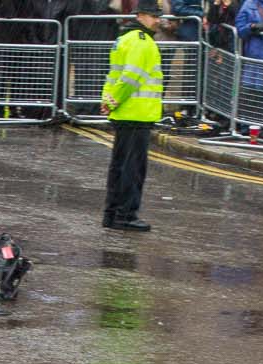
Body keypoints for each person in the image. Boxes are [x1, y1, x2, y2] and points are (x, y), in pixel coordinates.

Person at [101, 0, 162, 231]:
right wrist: (115, 100)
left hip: (124, 113)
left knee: (119, 166)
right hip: (138, 114)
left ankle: (111, 214)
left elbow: (112, 75)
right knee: (133, 169)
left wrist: (108, 101)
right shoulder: (143, 42)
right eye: (154, 16)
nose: (158, 21)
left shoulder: (122, 39)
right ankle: (126, 215)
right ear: (141, 16)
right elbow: (130, 77)